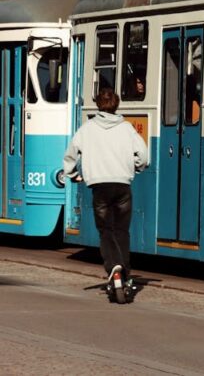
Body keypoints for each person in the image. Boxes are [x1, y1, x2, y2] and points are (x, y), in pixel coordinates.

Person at [62, 88, 150, 292]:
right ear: (117, 104)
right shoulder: (127, 128)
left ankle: (113, 267)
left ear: (99, 105)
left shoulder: (87, 128)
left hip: (99, 187)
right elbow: (143, 155)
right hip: (122, 186)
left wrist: (74, 175)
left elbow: (70, 155)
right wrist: (136, 166)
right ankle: (125, 275)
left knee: (105, 231)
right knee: (122, 231)